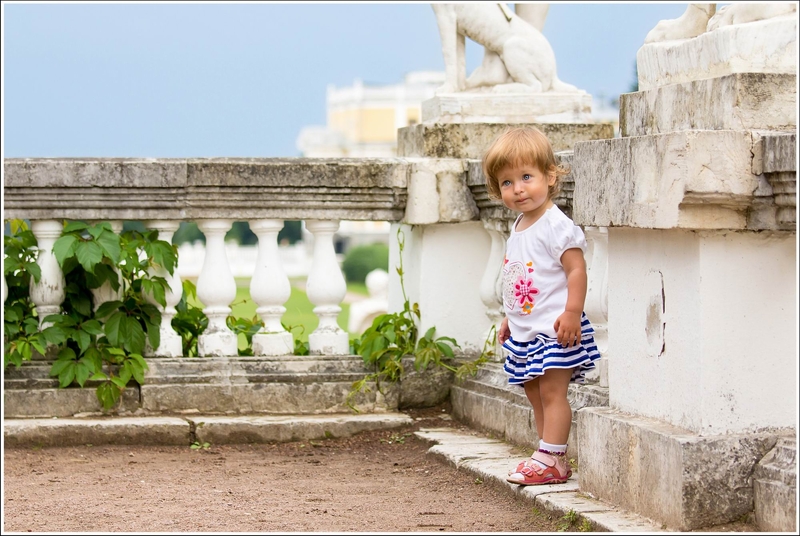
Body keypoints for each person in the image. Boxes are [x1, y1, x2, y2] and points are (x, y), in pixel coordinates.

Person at [482, 126, 601, 486]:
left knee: (552, 393)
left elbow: (576, 270)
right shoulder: (519, 224)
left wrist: (572, 312)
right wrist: (510, 317)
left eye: (526, 177)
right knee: (534, 392)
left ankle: (552, 457)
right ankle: (548, 455)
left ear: (550, 176)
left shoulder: (556, 225)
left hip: (554, 329)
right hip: (527, 330)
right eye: (507, 182)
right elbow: (520, 277)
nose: (518, 189)